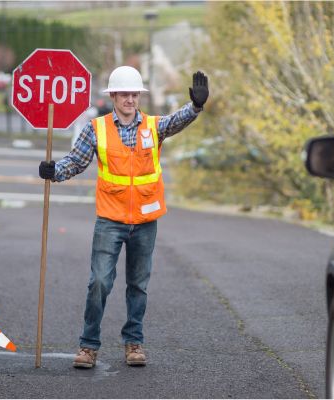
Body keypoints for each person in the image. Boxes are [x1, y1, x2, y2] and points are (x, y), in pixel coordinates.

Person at [38, 66, 209, 368]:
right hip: (110, 220)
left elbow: (176, 121)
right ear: (113, 95)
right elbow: (76, 161)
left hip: (145, 221)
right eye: (125, 94)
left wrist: (195, 106)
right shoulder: (97, 128)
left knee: (138, 286)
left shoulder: (154, 127)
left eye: (134, 94)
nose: (130, 99)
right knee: (100, 283)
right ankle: (88, 346)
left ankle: (134, 343)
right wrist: (55, 172)